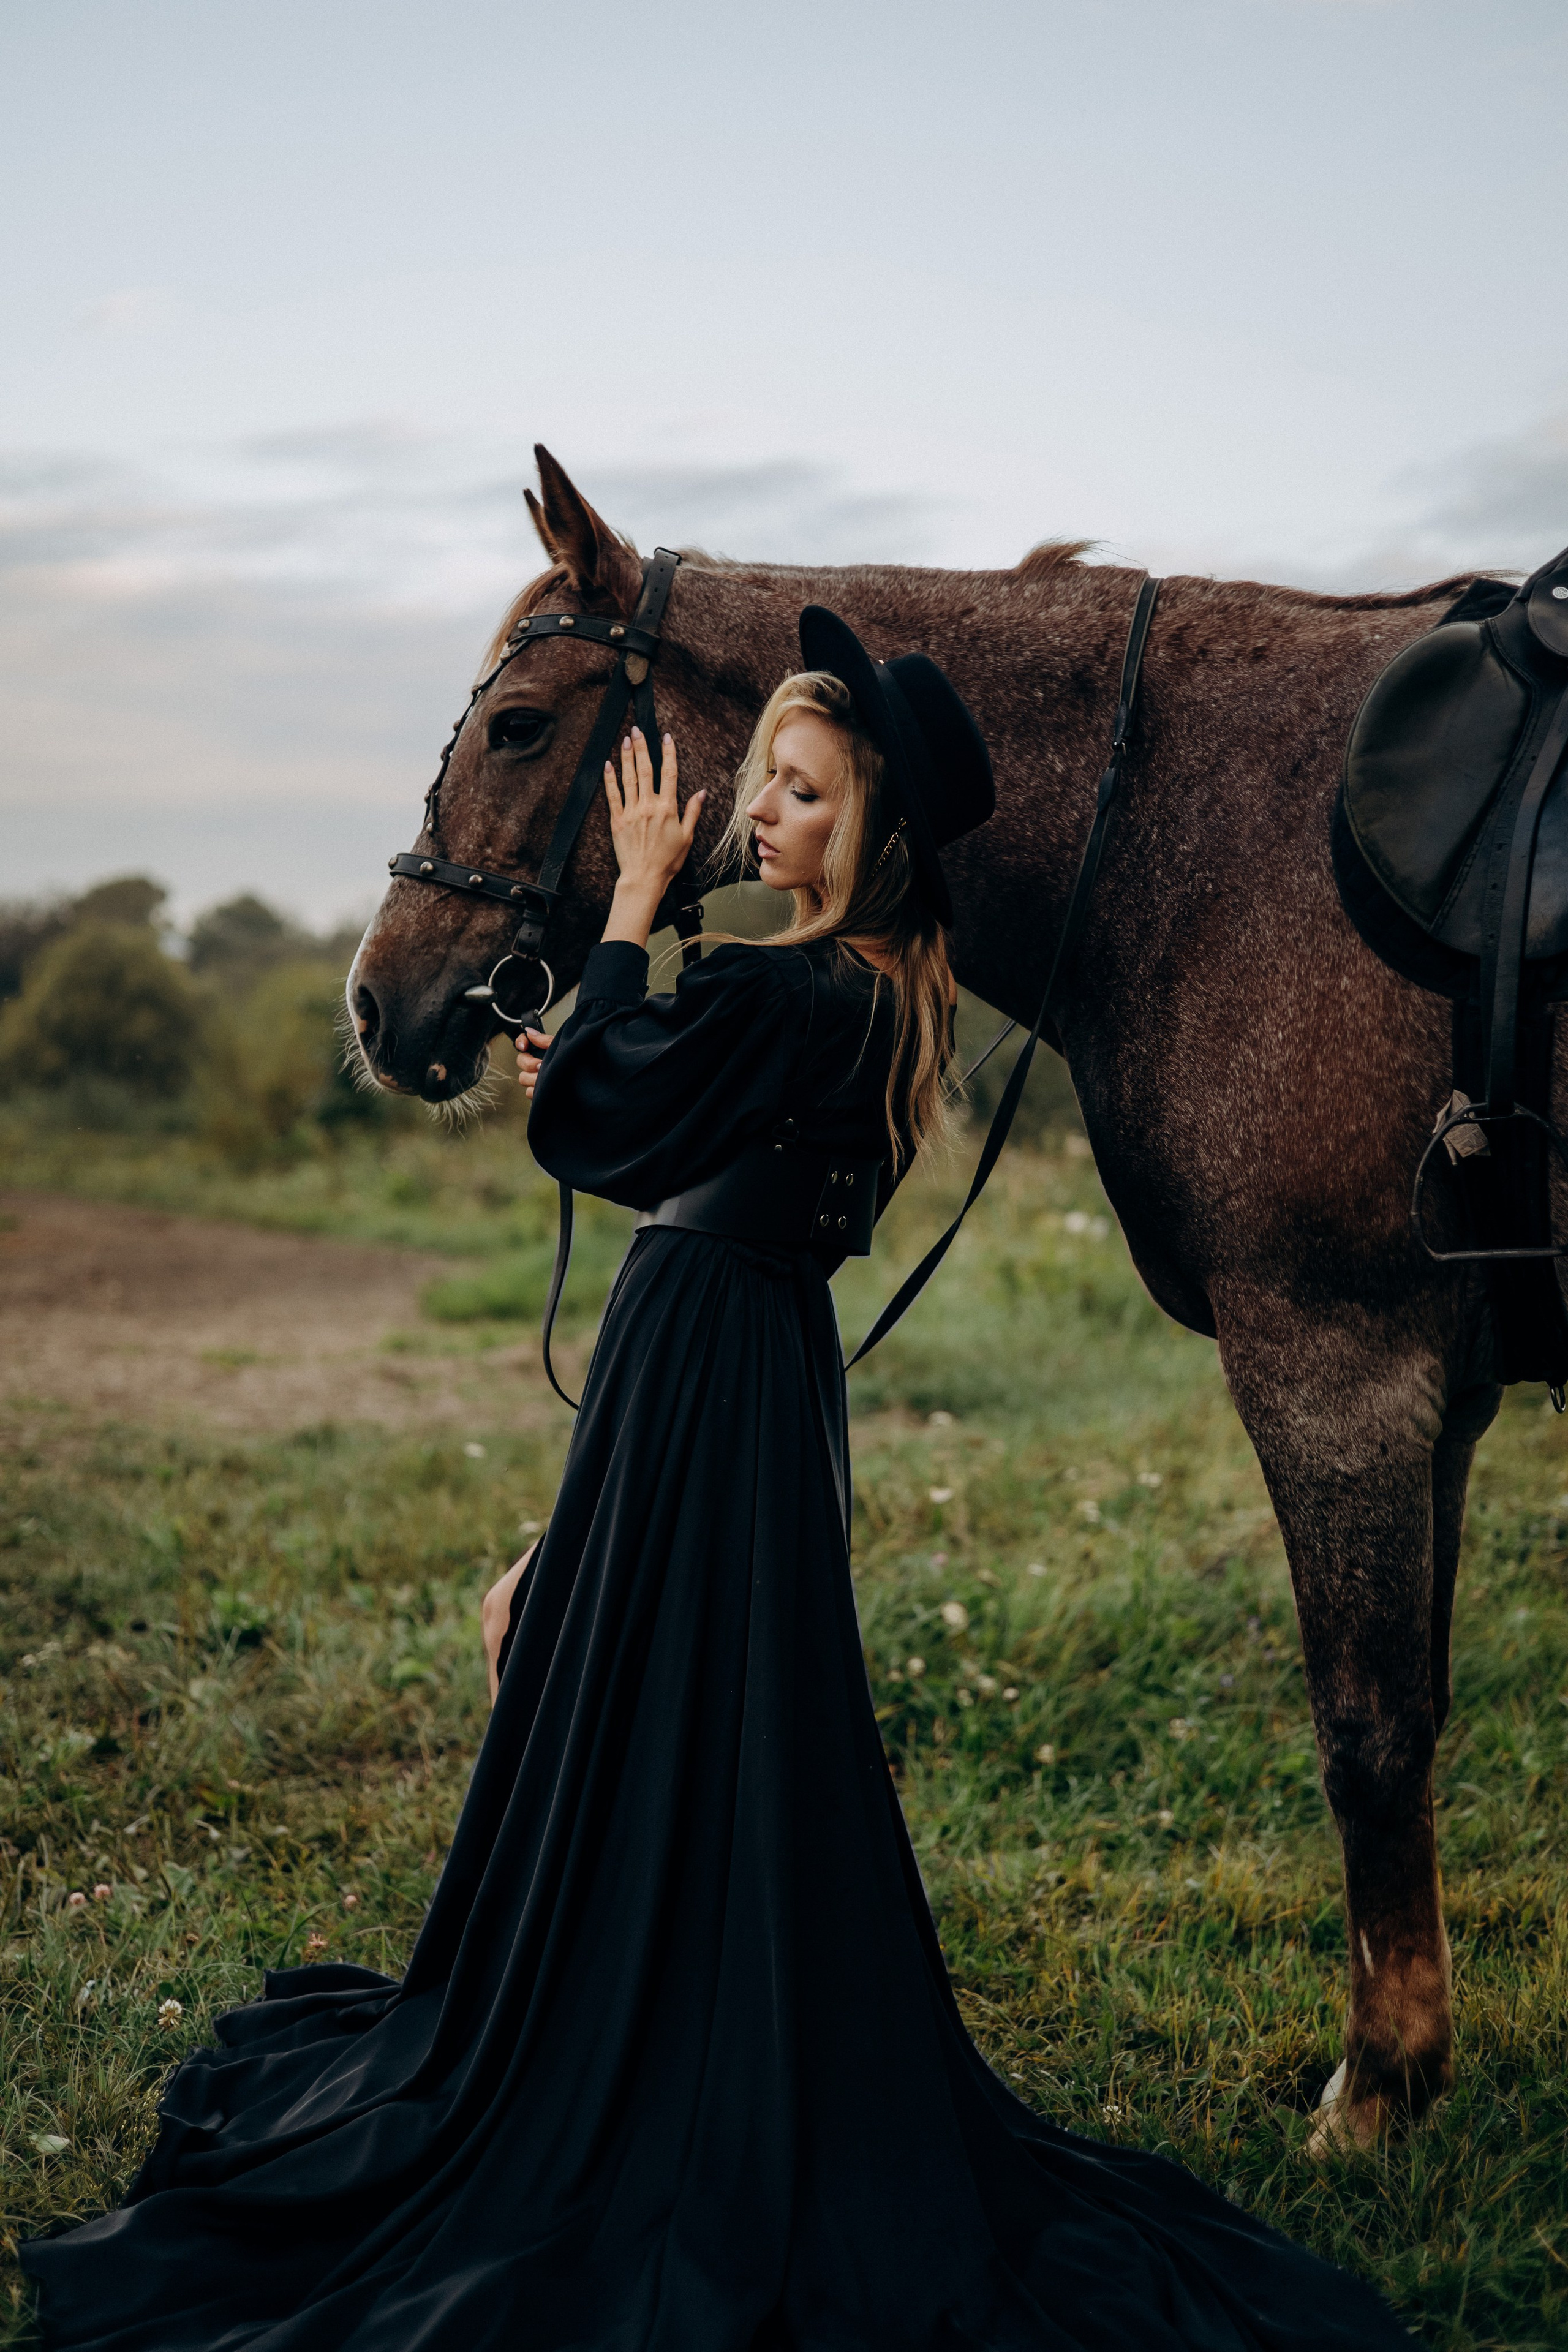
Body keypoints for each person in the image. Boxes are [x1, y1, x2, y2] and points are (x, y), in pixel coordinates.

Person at [23, 611, 1406, 2352]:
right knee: (709, 1712)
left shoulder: (782, 986)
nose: (758, 814)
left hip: (694, 1366)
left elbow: (595, 1122)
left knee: (649, 1703)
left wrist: (625, 911)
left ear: (871, 831)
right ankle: (687, 2027)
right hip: (745, 1376)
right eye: (764, 784)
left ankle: (623, 2061)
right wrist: (613, 1060)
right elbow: (661, 1131)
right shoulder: (877, 1005)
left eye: (801, 794)